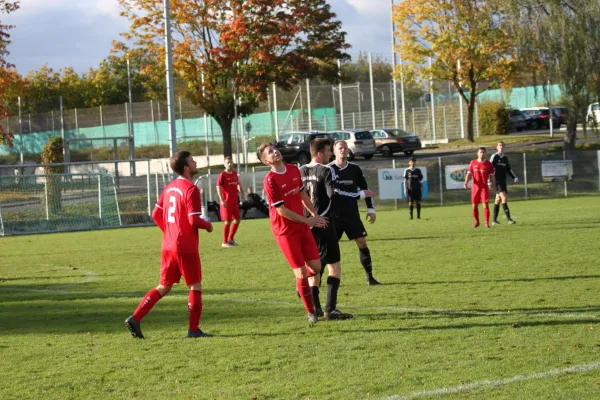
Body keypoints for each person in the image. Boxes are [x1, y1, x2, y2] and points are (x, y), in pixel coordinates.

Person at [125, 151, 214, 339]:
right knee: (195, 286)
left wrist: (170, 232)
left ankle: (136, 317)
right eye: (192, 160)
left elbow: (155, 215)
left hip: (168, 245)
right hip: (185, 246)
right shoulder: (191, 190)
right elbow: (193, 221)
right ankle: (193, 330)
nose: (195, 162)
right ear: (186, 168)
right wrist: (208, 226)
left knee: (163, 286)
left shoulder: (169, 187)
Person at [257, 142, 328, 323]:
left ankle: (300, 285)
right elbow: (281, 211)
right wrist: (308, 220)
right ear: (266, 161)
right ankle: (311, 312)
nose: (275, 152)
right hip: (285, 232)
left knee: (316, 267)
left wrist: (314, 214)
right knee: (301, 272)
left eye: (275, 149)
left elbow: (302, 194)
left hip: (302, 226)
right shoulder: (270, 180)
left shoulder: (293, 169)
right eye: (270, 152)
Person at [300, 138, 354, 320]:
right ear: (320, 153)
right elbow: (332, 197)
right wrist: (320, 218)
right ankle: (330, 309)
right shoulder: (327, 170)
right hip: (323, 224)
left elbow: (298, 199)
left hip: (306, 226)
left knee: (314, 268)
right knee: (334, 267)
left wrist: (306, 220)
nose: (331, 154)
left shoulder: (301, 171)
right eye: (329, 151)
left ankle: (315, 308)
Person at [328, 140, 380, 286]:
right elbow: (334, 192)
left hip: (351, 214)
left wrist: (371, 209)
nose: (343, 150)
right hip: (334, 216)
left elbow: (365, 189)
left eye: (345, 148)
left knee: (362, 243)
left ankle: (370, 277)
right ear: (334, 151)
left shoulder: (355, 169)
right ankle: (315, 280)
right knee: (329, 248)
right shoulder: (329, 169)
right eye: (340, 148)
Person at [464, 147, 496, 228]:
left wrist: (494, 185)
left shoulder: (489, 164)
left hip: (484, 187)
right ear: (477, 153)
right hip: (475, 187)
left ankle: (486, 223)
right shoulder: (473, 162)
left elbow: (492, 176)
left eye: (483, 152)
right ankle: (476, 221)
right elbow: (469, 174)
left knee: (485, 204)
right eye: (480, 152)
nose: (482, 154)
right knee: (474, 206)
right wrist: (466, 183)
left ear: (485, 153)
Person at [216, 156, 243, 247]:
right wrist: (222, 200)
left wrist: (242, 193)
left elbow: (238, 183)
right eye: (227, 162)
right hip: (226, 202)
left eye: (231, 162)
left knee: (237, 219)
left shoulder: (235, 173)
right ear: (224, 164)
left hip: (234, 201)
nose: (229, 164)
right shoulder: (222, 175)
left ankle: (230, 239)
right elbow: (218, 188)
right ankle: (224, 242)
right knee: (228, 221)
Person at [490, 141, 518, 225]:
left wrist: (514, 177)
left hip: (503, 181)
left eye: (502, 145)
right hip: (496, 180)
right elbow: (489, 168)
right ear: (497, 147)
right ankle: (509, 219)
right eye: (499, 145)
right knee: (504, 198)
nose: (501, 147)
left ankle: (494, 221)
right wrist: (489, 180)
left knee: (498, 199)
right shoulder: (494, 156)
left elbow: (508, 169)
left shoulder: (505, 158)